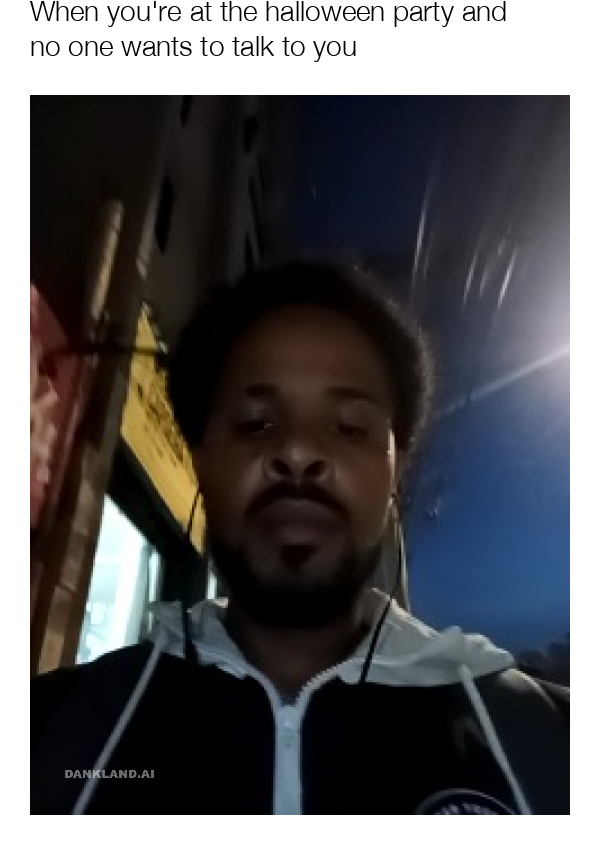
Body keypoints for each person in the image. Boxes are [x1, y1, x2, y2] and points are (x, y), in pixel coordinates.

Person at [31, 263, 569, 814]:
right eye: (254, 422)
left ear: (396, 471)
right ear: (200, 460)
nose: (297, 450)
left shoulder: (548, 741)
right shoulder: (50, 735)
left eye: (349, 426)